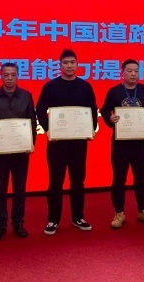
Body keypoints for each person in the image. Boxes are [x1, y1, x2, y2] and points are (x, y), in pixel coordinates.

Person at [36, 49, 97, 235]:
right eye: (65, 63)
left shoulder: (85, 87)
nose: (69, 66)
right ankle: (53, 219)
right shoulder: (51, 86)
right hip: (57, 143)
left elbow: (92, 110)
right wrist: (48, 130)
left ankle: (78, 217)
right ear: (60, 65)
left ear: (77, 64)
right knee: (55, 181)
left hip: (78, 142)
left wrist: (91, 129)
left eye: (72, 62)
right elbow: (40, 109)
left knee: (78, 181)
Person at [100, 59, 144, 229]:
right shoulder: (114, 91)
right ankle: (119, 212)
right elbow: (104, 110)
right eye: (129, 71)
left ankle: (143, 210)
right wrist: (110, 119)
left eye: (136, 71)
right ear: (122, 73)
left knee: (141, 178)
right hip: (121, 143)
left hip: (140, 143)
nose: (133, 74)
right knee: (119, 179)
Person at [0, 62, 37, 241]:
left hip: (21, 150)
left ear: (17, 76)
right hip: (0, 151)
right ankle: (0, 224)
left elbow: (31, 121)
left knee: (19, 189)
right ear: (1, 76)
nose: (9, 78)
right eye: (6, 75)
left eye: (13, 75)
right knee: (0, 189)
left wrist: (31, 143)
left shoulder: (26, 96)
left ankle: (18, 222)